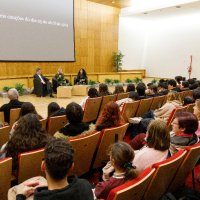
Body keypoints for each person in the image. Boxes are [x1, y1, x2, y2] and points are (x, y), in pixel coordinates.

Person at [15, 138, 94, 200]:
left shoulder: (40, 197)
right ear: (72, 166)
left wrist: (20, 196)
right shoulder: (85, 185)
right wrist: (46, 186)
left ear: (43, 166)